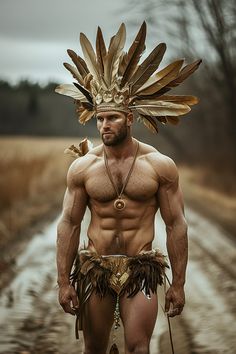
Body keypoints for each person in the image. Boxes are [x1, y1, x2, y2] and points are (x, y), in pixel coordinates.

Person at [55, 22, 201, 354]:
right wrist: (64, 281)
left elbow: (176, 223)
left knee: (139, 347)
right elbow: (69, 223)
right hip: (95, 269)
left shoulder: (159, 166)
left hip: (141, 270)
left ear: (130, 118)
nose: (104, 125)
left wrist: (178, 283)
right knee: (93, 349)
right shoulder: (83, 168)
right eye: (100, 119)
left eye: (113, 118)